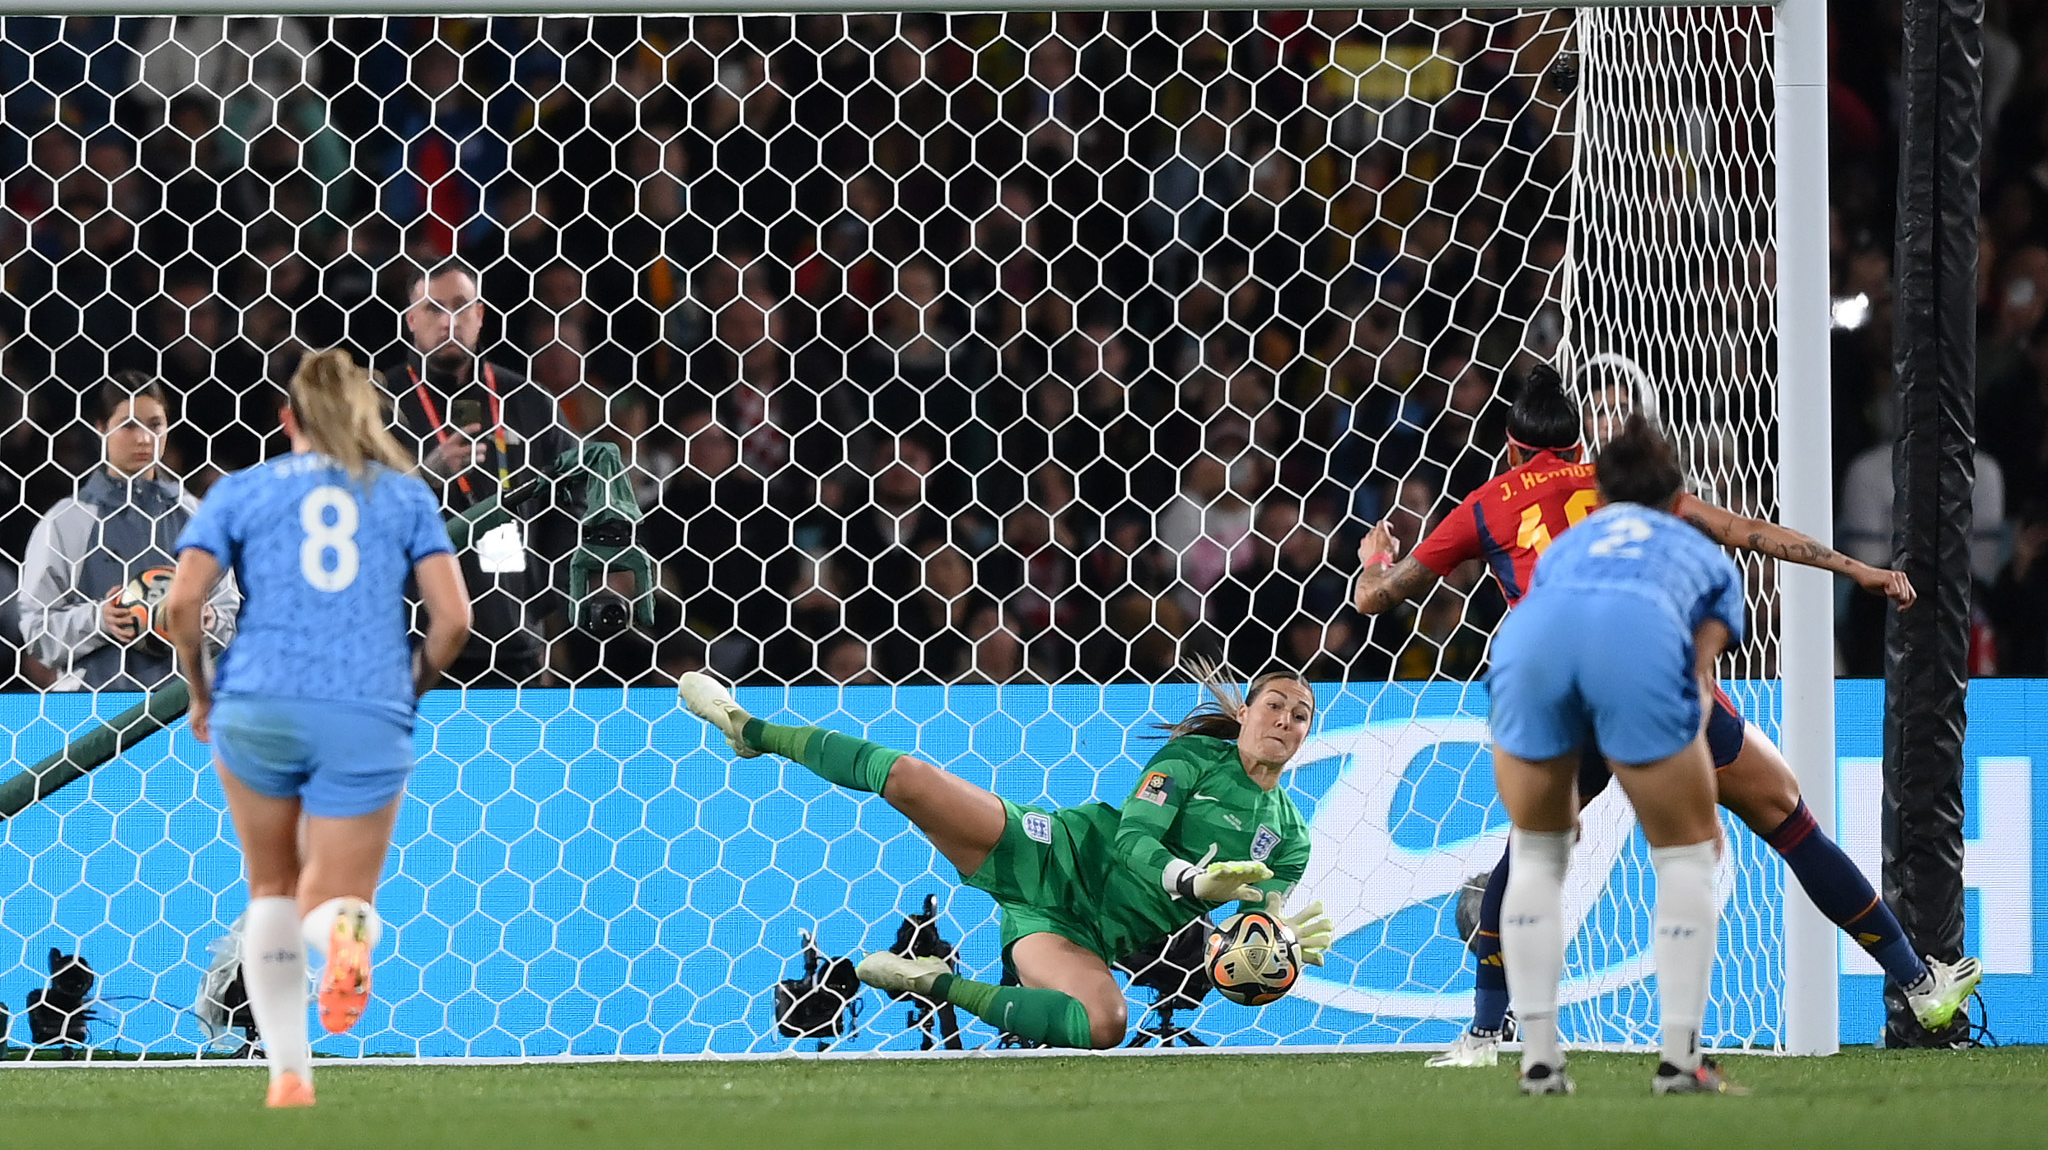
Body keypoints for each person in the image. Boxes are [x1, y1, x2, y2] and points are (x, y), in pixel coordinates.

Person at [1350, 365, 1980, 1068]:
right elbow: (1743, 532)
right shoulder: (1624, 492)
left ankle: (1484, 1032)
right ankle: (1920, 985)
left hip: (1563, 689)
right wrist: (1853, 570)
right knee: (1789, 820)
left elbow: (1374, 600)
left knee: (1530, 851)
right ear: (1579, 439)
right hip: (1653, 680)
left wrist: (1375, 558)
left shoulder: (1484, 504)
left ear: (1511, 445)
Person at [676, 662, 1334, 1049]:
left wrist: (1281, 950)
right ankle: (748, 729)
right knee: (906, 778)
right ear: (1245, 711)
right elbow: (1135, 838)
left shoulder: (1291, 839)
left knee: (1104, 1024)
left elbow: (1248, 937)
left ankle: (930, 982)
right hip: (1047, 851)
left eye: (1300, 715)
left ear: (1308, 735)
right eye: (1274, 704)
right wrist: (1191, 882)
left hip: (1073, 933)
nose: (1284, 719)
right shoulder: (1191, 758)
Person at [162, 350, 470, 1108]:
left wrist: (201, 692)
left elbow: (179, 607)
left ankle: (289, 1073)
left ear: (286, 418)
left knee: (270, 888)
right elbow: (455, 620)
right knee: (341, 895)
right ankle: (347, 939)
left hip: (258, 704)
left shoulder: (240, 491)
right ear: (365, 417)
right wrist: (410, 691)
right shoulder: (403, 497)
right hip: (364, 706)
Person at [1485, 414, 1739, 1094]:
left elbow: (1557, 619)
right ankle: (1681, 1062)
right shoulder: (1697, 547)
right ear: (1676, 499)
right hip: (1636, 643)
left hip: (1527, 645)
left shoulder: (1572, 542)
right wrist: (1692, 780)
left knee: (1537, 852)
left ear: (1603, 494)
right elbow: (1698, 667)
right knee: (1688, 854)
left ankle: (1538, 1060)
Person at [387, 259, 575, 686]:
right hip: (410, 646)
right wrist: (423, 476)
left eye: (461, 306)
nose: (449, 321)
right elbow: (349, 504)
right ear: (411, 320)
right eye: (434, 308)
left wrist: (542, 588)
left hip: (513, 640)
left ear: (481, 315)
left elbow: (577, 496)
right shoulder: (378, 404)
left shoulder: (530, 402)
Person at [20, 372, 239, 691]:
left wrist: (209, 621)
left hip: (179, 706)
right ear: (101, 429)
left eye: (155, 425)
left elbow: (227, 614)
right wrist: (100, 619)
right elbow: (37, 631)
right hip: (91, 708)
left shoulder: (195, 515)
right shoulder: (66, 521)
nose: (144, 438)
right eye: (129, 425)